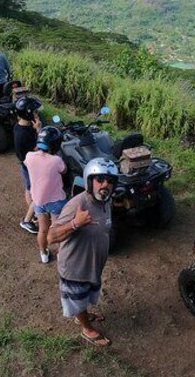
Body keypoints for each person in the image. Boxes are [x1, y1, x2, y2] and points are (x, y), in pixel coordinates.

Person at [47, 158, 118, 347]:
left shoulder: (106, 202)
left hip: (92, 266)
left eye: (110, 181)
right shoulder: (77, 205)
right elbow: (51, 237)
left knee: (85, 297)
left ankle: (82, 315)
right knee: (77, 300)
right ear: (89, 180)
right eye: (100, 179)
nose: (105, 184)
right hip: (75, 268)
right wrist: (75, 223)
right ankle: (87, 328)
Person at [25, 126, 67, 263]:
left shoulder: (29, 157)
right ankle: (61, 254)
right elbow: (64, 170)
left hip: (38, 201)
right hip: (56, 201)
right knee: (58, 229)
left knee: (42, 229)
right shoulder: (56, 160)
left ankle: (43, 254)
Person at [13, 96, 43, 234]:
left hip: (24, 164)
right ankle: (27, 220)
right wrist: (39, 130)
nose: (37, 114)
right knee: (38, 195)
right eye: (35, 112)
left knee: (29, 188)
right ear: (29, 113)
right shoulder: (25, 134)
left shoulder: (19, 126)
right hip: (30, 165)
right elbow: (37, 149)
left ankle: (34, 213)